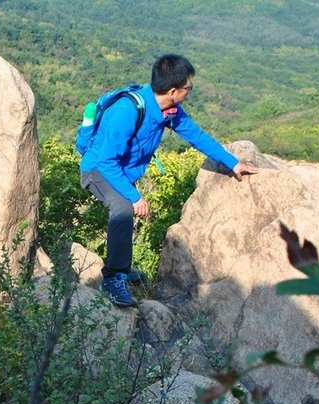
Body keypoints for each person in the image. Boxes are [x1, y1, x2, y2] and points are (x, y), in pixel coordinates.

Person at [80, 54, 258, 307]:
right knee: (122, 207)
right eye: (189, 87)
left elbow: (196, 135)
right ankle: (113, 279)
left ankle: (121, 267)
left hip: (120, 172)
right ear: (173, 91)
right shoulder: (127, 111)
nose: (189, 92)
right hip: (98, 170)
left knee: (125, 209)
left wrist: (233, 163)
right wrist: (135, 198)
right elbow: (107, 161)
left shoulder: (169, 111)